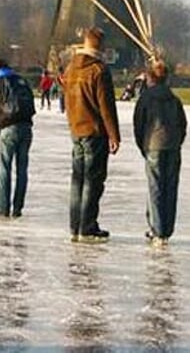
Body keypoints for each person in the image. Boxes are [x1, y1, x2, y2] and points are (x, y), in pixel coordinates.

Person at [63, 26, 121, 243]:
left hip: (76, 130)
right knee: (93, 181)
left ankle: (75, 225)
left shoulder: (70, 69)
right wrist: (114, 135)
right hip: (94, 132)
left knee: (77, 180)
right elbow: (106, 107)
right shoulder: (98, 70)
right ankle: (87, 226)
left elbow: (67, 99)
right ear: (101, 47)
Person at [134, 60, 187, 246]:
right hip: (172, 146)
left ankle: (157, 229)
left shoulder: (146, 98)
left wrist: (143, 146)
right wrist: (177, 142)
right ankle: (166, 229)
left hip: (153, 145)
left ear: (150, 77)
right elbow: (182, 125)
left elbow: (138, 124)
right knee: (170, 188)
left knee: (155, 187)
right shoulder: (174, 99)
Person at [0, 59, 36, 218]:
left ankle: (3, 207)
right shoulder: (22, 81)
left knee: (5, 168)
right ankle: (18, 208)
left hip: (9, 129)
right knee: (22, 170)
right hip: (26, 128)